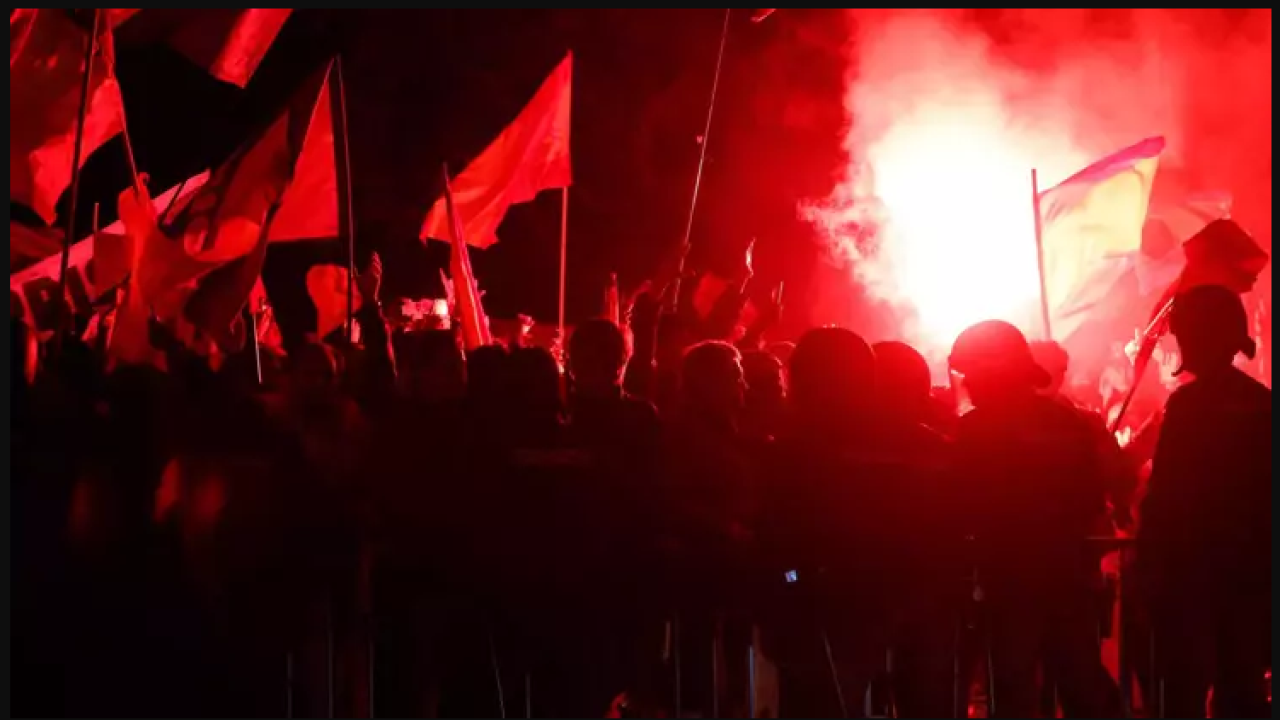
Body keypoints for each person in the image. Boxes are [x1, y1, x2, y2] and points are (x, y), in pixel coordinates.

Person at [949, 320, 1123, 718]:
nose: (968, 384)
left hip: (1010, 583)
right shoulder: (1067, 423)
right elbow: (1091, 496)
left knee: (1014, 690)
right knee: (1082, 683)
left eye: (971, 373)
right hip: (1069, 577)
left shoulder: (976, 430)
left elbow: (962, 506)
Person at [1137, 285, 1271, 718]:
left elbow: (1166, 495)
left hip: (1191, 570)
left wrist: (1149, 561)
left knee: (1182, 686)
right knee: (1242, 684)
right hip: (1250, 571)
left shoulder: (1188, 407)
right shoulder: (1261, 404)